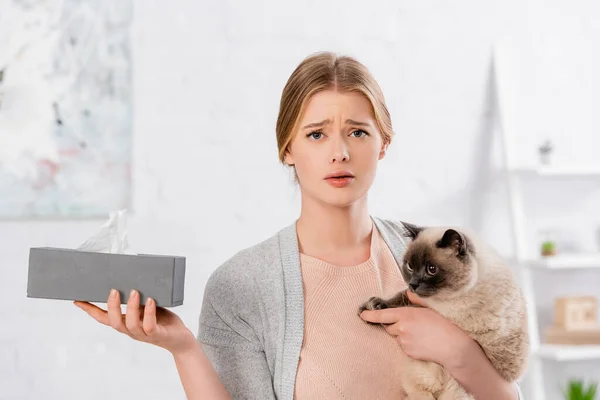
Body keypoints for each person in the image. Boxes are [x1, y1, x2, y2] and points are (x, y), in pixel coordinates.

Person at [74, 51, 524, 400]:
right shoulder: (243, 286)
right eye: (316, 134)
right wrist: (184, 349)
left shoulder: (433, 265)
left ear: (383, 143)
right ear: (287, 148)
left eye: (358, 132)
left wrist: (456, 350)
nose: (339, 152)